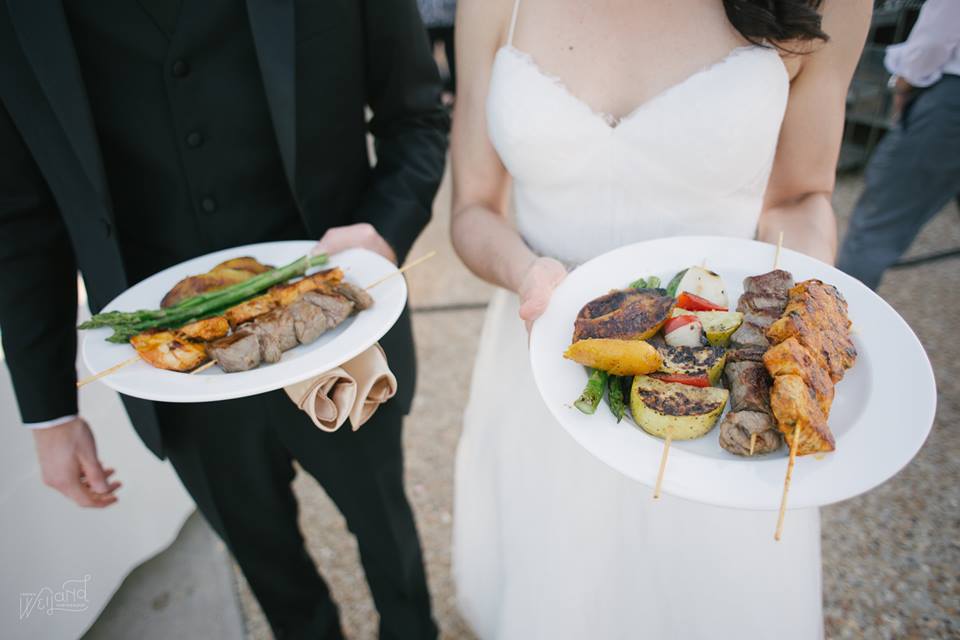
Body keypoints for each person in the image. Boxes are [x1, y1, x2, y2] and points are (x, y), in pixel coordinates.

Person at [0, 1, 448, 638]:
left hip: (334, 327)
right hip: (172, 374)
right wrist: (50, 412)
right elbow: (20, 218)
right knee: (271, 575)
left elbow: (417, 118)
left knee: (387, 534)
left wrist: (384, 232)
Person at [450, 0, 868, 637]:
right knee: (553, 585)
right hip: (543, 358)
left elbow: (801, 194)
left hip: (722, 379)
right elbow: (473, 207)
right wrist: (527, 275)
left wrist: (791, 324)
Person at [837, 0, 960, 290]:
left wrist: (905, 81)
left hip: (949, 99)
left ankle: (835, 321)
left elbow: (936, 37)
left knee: (873, 230)